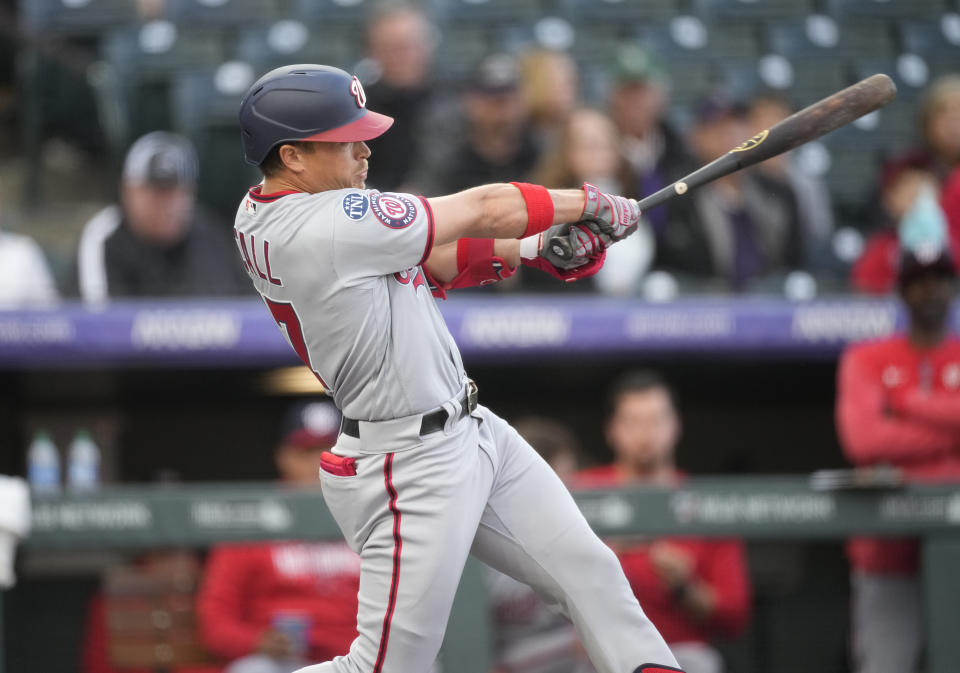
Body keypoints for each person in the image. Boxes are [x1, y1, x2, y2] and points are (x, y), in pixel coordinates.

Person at [233, 63, 681, 673]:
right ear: (293, 156)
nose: (364, 150)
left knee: (590, 572)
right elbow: (487, 207)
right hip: (407, 463)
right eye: (345, 139)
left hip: (470, 429)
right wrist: (589, 203)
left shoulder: (278, 208)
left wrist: (535, 247)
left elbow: (432, 259)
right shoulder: (320, 225)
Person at [836, 185, 960, 673]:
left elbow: (889, 432)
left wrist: (907, 403)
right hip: (885, 556)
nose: (929, 290)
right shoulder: (866, 358)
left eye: (939, 279)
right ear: (902, 288)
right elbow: (864, 440)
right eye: (919, 280)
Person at [576, 371, 751, 673]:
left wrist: (685, 586)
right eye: (634, 422)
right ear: (613, 429)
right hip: (599, 651)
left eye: (656, 420)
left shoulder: (704, 502)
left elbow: (734, 616)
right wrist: (603, 555)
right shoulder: (582, 492)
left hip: (681, 654)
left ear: (675, 426)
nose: (646, 433)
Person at [197, 399, 361, 673]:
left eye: (330, 449)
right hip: (284, 662)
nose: (319, 462)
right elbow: (215, 621)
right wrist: (256, 641)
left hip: (360, 659)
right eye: (306, 451)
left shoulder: (374, 512)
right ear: (283, 457)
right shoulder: (253, 519)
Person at [74, 131, 251, 303]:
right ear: (128, 191)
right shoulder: (104, 236)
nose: (169, 204)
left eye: (177, 192)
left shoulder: (212, 237)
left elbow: (243, 314)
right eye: (156, 192)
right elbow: (99, 323)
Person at [656, 91, 802, 291]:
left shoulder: (777, 192)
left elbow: (793, 261)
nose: (731, 134)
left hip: (767, 302)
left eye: (739, 124)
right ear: (697, 136)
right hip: (702, 308)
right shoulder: (676, 196)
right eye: (718, 127)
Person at [532, 106, 653, 294]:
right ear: (567, 152)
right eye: (590, 146)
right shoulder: (548, 207)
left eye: (607, 145)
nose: (601, 155)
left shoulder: (630, 194)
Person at [416, 53, 541, 195]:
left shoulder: (540, 150)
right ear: (470, 102)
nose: (503, 112)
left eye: (510, 100)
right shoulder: (450, 159)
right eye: (493, 102)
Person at [360, 2, 446, 192]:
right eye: (389, 48)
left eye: (408, 46)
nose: (401, 57)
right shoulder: (357, 107)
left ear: (428, 46)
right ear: (372, 52)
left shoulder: (455, 102)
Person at [608, 44, 691, 241]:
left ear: (661, 94)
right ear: (614, 96)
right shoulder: (601, 149)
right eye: (627, 91)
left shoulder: (679, 150)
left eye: (643, 90)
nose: (636, 100)